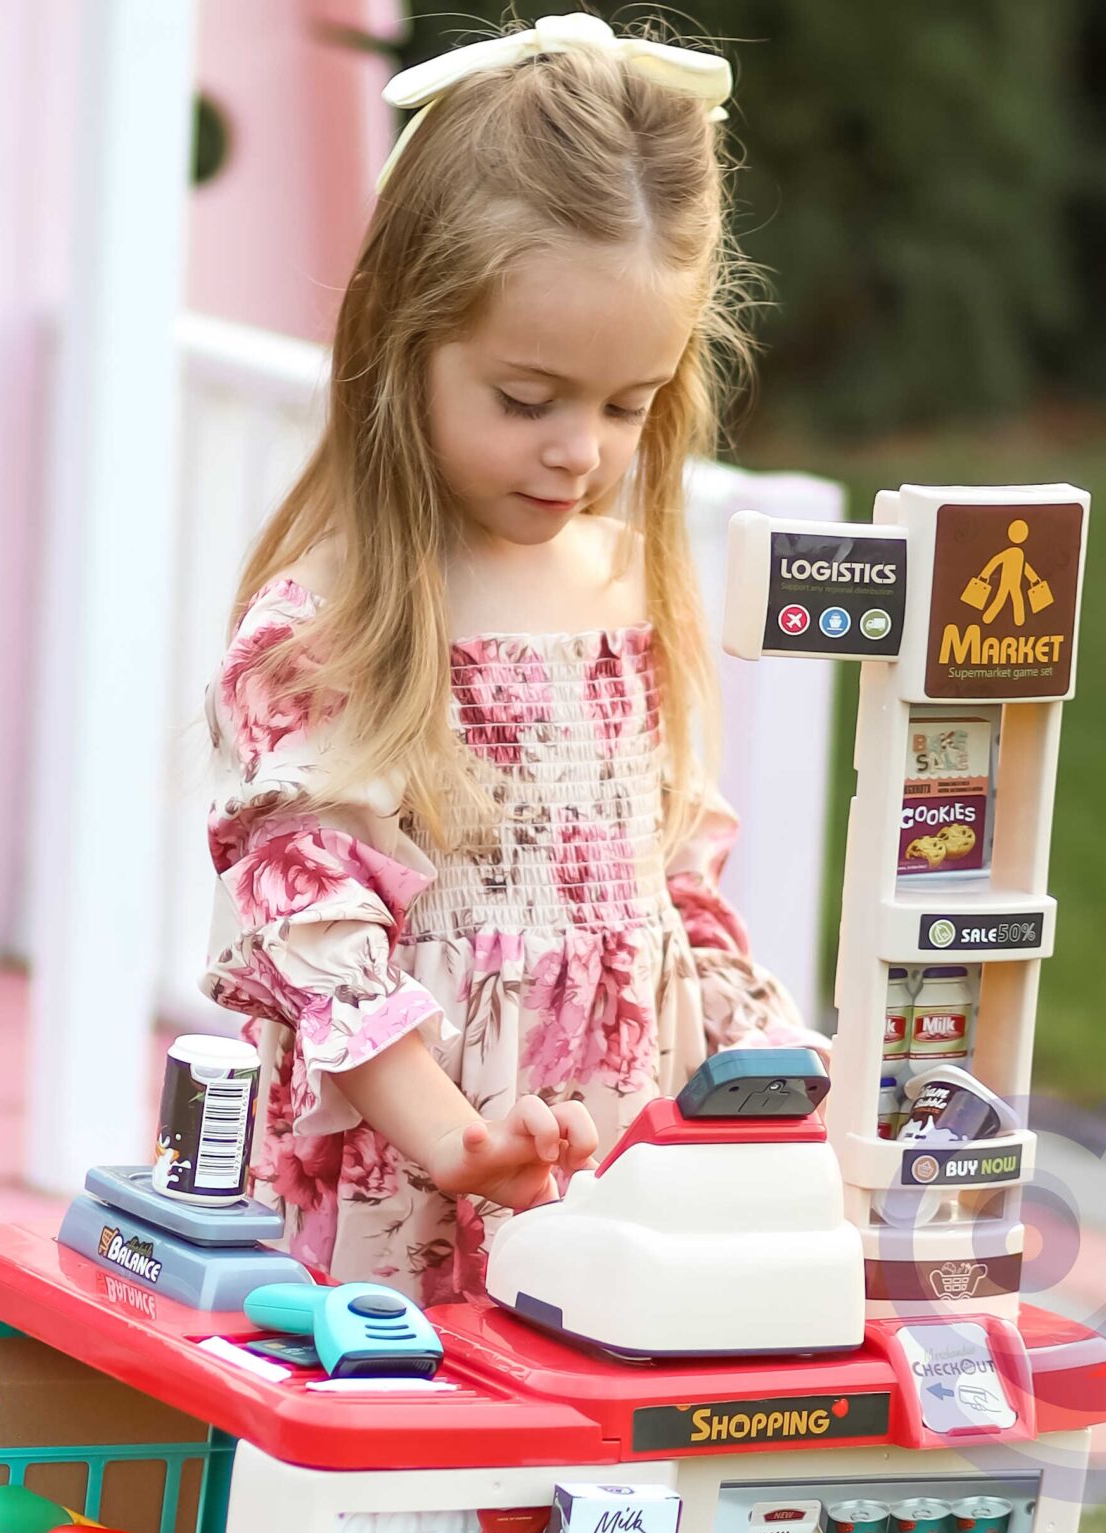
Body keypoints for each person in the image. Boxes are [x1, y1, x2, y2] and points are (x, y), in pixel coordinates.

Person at [201, 14, 818, 1302]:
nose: (578, 452)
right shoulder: (331, 629)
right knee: (420, 1489)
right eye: (527, 401)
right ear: (397, 345)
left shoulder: (624, 586)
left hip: (621, 1178)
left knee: (603, 1483)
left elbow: (669, 885)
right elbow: (318, 936)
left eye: (626, 405)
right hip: (410, 1196)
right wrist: (456, 1141)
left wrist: (767, 1069)